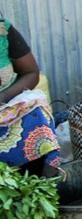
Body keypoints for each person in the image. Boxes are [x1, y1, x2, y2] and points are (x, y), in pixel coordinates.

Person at [0, 13, 60, 174]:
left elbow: (30, 72)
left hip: (5, 109)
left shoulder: (3, 30)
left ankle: (38, 181)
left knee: (36, 116)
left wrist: (4, 97)